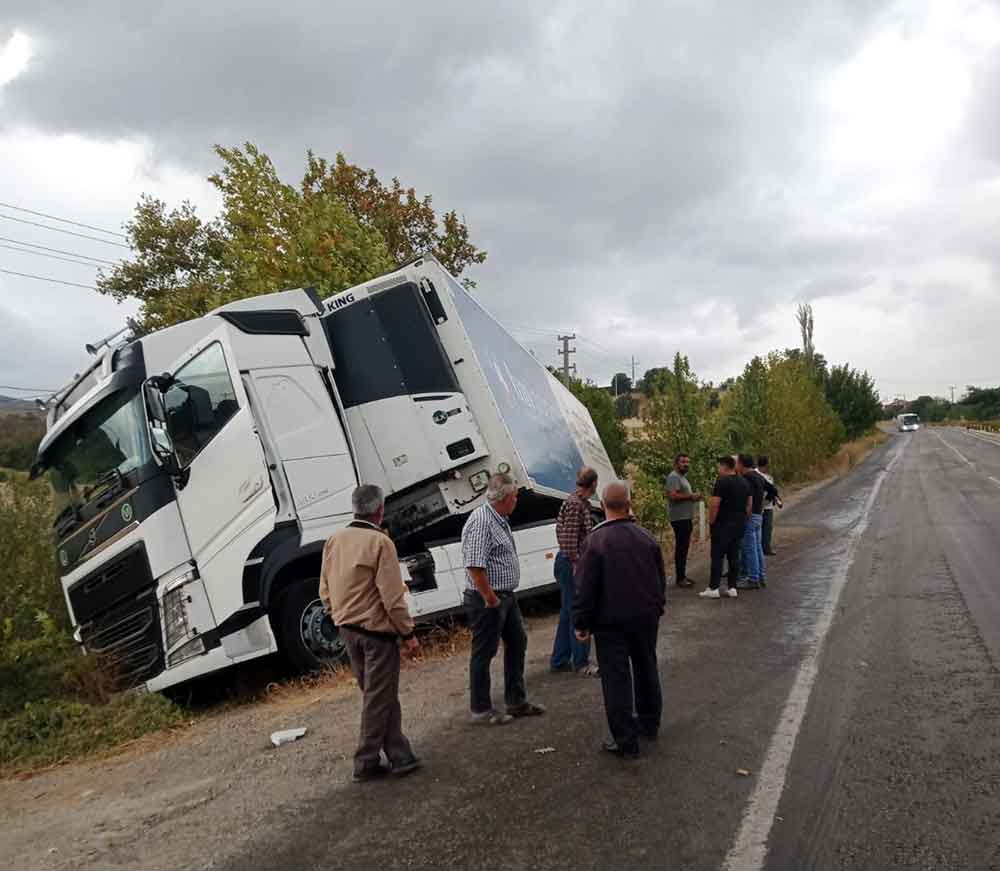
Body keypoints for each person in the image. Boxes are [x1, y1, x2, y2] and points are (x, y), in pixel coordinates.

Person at [319, 484, 422, 783]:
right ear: (380, 510)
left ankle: (400, 755)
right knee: (378, 698)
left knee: (379, 694)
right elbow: (391, 597)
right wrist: (408, 633)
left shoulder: (334, 540)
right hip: (376, 634)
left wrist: (337, 614)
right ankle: (365, 762)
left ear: (355, 507)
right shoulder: (380, 543)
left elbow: (324, 588)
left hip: (347, 629)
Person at [573, 481, 666, 758]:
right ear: (629, 504)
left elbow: (585, 587)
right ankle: (649, 724)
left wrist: (581, 623)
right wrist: (657, 607)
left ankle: (625, 741)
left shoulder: (595, 542)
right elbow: (659, 579)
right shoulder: (647, 537)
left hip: (610, 622)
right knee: (647, 667)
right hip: (645, 618)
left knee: (616, 679)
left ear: (602, 507)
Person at [462, 471, 546, 725]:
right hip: (488, 599)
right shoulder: (481, 520)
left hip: (506, 596)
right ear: (507, 497)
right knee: (484, 652)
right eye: (516, 496)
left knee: (517, 642)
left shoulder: (499, 518)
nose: (518, 500)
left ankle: (516, 701)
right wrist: (489, 598)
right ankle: (481, 710)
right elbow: (474, 565)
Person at [550, 466, 600, 676]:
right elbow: (570, 541)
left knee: (568, 612)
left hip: (569, 562)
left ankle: (560, 659)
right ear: (594, 484)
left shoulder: (578, 502)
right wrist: (578, 566)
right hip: (572, 563)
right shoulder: (575, 504)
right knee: (580, 611)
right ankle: (581, 662)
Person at [700, 456, 751, 600]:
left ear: (724, 466)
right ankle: (732, 587)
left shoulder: (721, 482)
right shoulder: (744, 482)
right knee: (734, 556)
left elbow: (714, 504)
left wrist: (711, 522)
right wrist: (743, 520)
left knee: (717, 556)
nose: (718, 470)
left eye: (718, 467)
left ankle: (714, 588)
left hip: (723, 525)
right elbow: (749, 505)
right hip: (739, 524)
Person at [736, 454, 779, 589]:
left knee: (749, 548)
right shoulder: (758, 477)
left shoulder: (746, 478)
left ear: (742, 464)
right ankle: (760, 576)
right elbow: (773, 490)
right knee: (757, 547)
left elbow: (745, 498)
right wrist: (764, 503)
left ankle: (753, 579)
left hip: (749, 516)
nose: (736, 466)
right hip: (758, 516)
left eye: (737, 463)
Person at [665, 453, 701, 587]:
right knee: (681, 548)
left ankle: (682, 576)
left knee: (684, 547)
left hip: (685, 517)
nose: (686, 464)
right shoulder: (673, 477)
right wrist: (692, 496)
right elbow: (673, 496)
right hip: (679, 518)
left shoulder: (682, 477)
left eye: (687, 462)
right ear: (676, 463)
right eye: (683, 462)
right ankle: (680, 579)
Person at [757, 455, 782, 555]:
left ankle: (766, 548)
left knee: (767, 528)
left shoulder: (769, 477)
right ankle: (759, 549)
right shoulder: (756, 474)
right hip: (758, 506)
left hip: (768, 506)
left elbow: (773, 491)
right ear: (765, 465)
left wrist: (777, 499)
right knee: (758, 529)